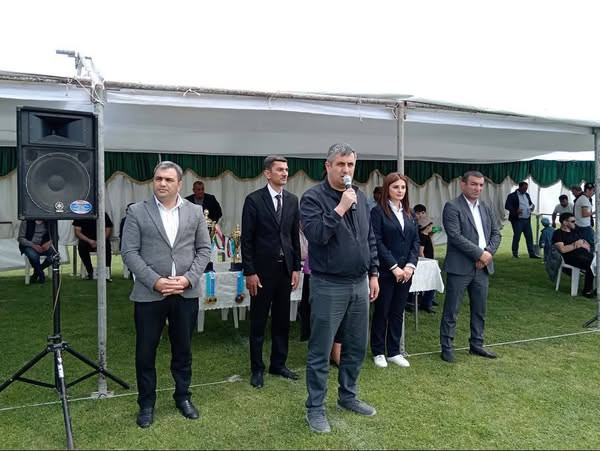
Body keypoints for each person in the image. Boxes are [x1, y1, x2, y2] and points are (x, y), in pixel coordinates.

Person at [121, 161, 211, 428]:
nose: (162, 183)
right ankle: (146, 404)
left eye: (168, 180)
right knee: (145, 352)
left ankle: (183, 397)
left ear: (179, 184)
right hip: (150, 294)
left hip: (185, 293)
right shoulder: (137, 211)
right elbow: (129, 252)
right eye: (158, 178)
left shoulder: (195, 211)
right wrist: (156, 282)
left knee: (183, 350)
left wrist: (187, 279)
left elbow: (204, 250)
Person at [300, 142, 379, 433]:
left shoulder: (360, 196)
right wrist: (340, 208)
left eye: (350, 165)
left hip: (359, 283)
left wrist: (374, 273)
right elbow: (316, 235)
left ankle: (348, 396)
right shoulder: (313, 198)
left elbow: (369, 238)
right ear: (328, 166)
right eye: (341, 164)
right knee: (321, 349)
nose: (346, 170)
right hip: (328, 284)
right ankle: (315, 408)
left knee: (356, 346)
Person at [241, 155, 301, 389]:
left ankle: (279, 363)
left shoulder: (292, 200)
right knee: (258, 321)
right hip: (261, 272)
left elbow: (294, 236)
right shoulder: (254, 200)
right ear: (267, 173)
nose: (285, 173)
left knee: (282, 320)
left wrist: (295, 267)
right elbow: (247, 239)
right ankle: (257, 368)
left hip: (285, 270)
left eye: (286, 169)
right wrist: (250, 271)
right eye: (280, 169)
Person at [440, 171, 502, 363]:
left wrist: (488, 254)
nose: (478, 188)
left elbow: (496, 233)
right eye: (474, 184)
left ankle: (477, 344)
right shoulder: (452, 206)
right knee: (452, 310)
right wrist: (479, 254)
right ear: (463, 184)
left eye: (481, 185)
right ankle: (447, 347)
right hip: (460, 267)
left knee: (479, 309)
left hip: (482, 267)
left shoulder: (486, 207)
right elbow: (455, 236)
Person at [369, 172, 419, 369]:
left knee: (398, 311)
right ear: (387, 189)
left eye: (403, 187)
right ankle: (378, 351)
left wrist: (410, 266)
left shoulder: (410, 213)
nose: (400, 191)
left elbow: (415, 241)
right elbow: (377, 241)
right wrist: (394, 267)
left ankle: (394, 351)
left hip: (406, 272)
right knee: (382, 311)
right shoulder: (378, 212)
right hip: (386, 271)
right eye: (395, 187)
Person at [553, 212, 595, 297]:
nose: (574, 223)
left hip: (584, 254)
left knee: (596, 261)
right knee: (590, 264)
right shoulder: (558, 233)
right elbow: (563, 249)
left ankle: (596, 287)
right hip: (571, 257)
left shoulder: (575, 231)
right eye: (572, 221)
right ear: (564, 222)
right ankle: (587, 290)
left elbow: (586, 244)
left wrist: (582, 241)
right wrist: (575, 245)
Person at [73, 213, 114, 280]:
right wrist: (89, 241)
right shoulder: (80, 215)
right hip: (86, 240)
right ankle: (90, 272)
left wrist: (99, 241)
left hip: (101, 240)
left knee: (106, 246)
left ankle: (106, 273)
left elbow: (108, 229)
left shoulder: (103, 214)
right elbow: (77, 232)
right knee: (81, 246)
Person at [505, 181, 540, 259]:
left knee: (529, 237)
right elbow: (507, 206)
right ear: (520, 187)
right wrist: (515, 210)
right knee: (517, 236)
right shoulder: (512, 196)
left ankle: (532, 254)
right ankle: (515, 254)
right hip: (517, 220)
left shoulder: (527, 195)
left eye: (526, 188)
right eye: (524, 188)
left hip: (527, 219)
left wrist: (532, 207)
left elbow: (531, 204)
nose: (525, 190)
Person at [17, 219, 58, 284]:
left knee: (55, 255)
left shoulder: (49, 221)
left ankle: (36, 273)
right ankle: (41, 274)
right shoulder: (26, 221)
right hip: (29, 245)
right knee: (33, 255)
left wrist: (49, 243)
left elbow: (56, 236)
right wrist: (33, 245)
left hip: (43, 245)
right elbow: (20, 238)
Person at [417, 215, 437, 313]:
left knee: (432, 283)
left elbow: (432, 247)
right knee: (432, 283)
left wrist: (431, 236)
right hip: (426, 263)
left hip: (430, 261)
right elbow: (421, 252)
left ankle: (427, 301)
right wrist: (425, 262)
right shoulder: (422, 237)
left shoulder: (427, 236)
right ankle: (426, 303)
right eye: (431, 226)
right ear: (427, 226)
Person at [574, 182, 595, 248]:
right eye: (593, 191)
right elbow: (585, 214)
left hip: (582, 226)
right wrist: (595, 212)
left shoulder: (583, 199)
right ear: (588, 190)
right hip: (584, 227)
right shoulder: (584, 199)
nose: (593, 193)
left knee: (584, 245)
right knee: (591, 245)